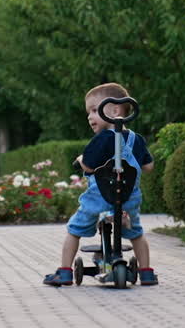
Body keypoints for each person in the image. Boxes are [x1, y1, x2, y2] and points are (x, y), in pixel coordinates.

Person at [43, 83, 158, 287]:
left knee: (74, 230)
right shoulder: (136, 139)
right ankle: (147, 273)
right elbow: (148, 166)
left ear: (114, 110)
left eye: (94, 110)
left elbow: (88, 166)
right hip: (128, 200)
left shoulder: (102, 139)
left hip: (99, 200)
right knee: (137, 234)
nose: (90, 117)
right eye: (89, 112)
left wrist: (79, 160)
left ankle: (65, 272)